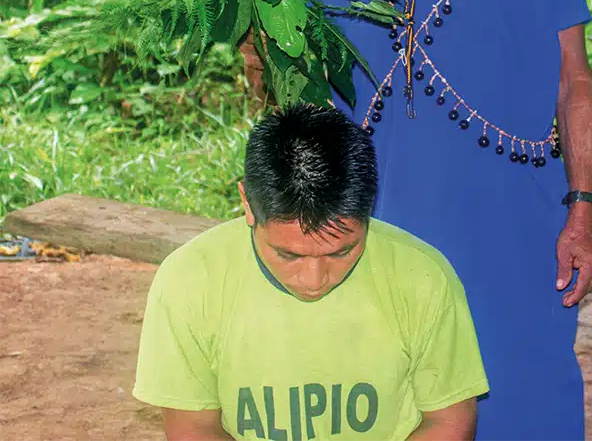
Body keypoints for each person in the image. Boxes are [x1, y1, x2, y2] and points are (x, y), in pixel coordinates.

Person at [246, 0, 592, 440]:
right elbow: (303, 104)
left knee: (518, 389)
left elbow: (576, 86)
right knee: (389, 397)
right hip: (382, 228)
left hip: (512, 230)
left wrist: (583, 211)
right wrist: (261, 55)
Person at [133, 103, 488, 440]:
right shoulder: (189, 280)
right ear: (247, 205)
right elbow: (192, 429)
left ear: (368, 210)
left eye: (343, 251)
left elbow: (449, 421)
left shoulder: (422, 276)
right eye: (288, 255)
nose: (315, 280)